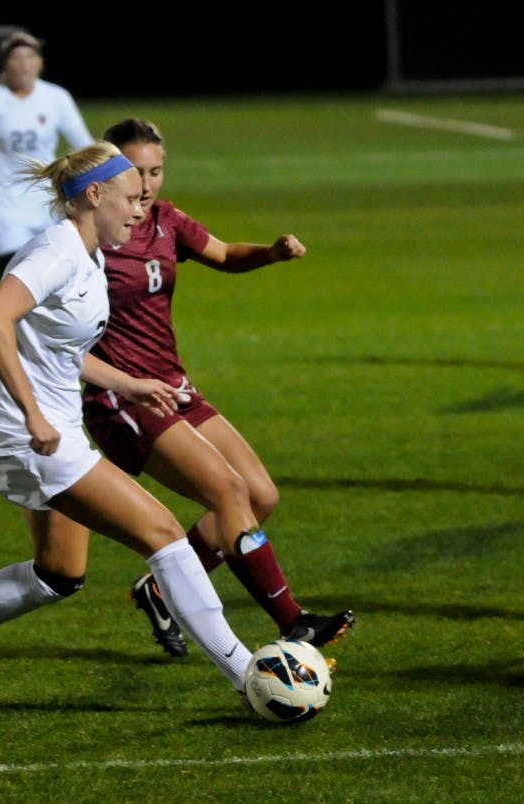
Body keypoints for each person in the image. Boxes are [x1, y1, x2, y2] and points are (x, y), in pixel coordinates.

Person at [0, 143, 256, 708]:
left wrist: (128, 383)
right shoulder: (56, 252)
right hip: (32, 435)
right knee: (163, 533)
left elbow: (59, 348)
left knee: (59, 572)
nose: (140, 209)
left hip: (48, 429)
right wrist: (33, 414)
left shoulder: (89, 256)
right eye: (130, 199)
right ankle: (249, 674)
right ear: (94, 195)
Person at [37, 118, 355, 658]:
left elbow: (224, 254)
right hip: (123, 397)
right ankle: (292, 621)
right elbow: (44, 330)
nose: (147, 184)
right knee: (228, 492)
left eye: (156, 171)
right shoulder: (88, 240)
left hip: (174, 386)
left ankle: (161, 590)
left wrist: (271, 253)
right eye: (136, 172)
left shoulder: (165, 220)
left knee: (260, 495)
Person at [0, 30, 94, 281]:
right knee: (13, 278)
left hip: (47, 203)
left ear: (40, 63)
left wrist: (113, 180)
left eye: (30, 57)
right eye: (16, 57)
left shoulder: (56, 98)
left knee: (57, 281)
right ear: (5, 64)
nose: (24, 64)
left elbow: (85, 147)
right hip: (4, 206)